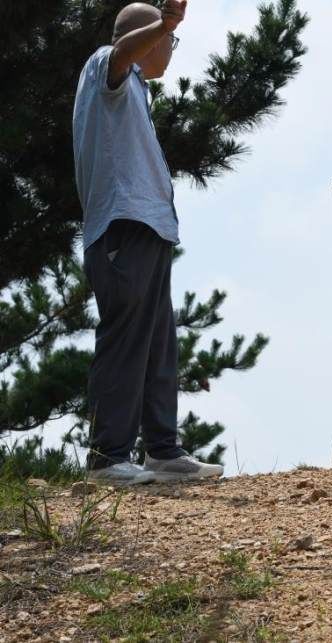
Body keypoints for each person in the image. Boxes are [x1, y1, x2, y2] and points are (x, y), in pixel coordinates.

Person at [73, 0, 223, 484]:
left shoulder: (136, 91)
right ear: (150, 35)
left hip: (147, 229)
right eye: (169, 40)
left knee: (159, 345)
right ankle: (106, 457)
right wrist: (166, 21)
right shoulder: (106, 65)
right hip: (123, 227)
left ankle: (161, 450)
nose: (171, 48)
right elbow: (119, 55)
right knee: (126, 342)